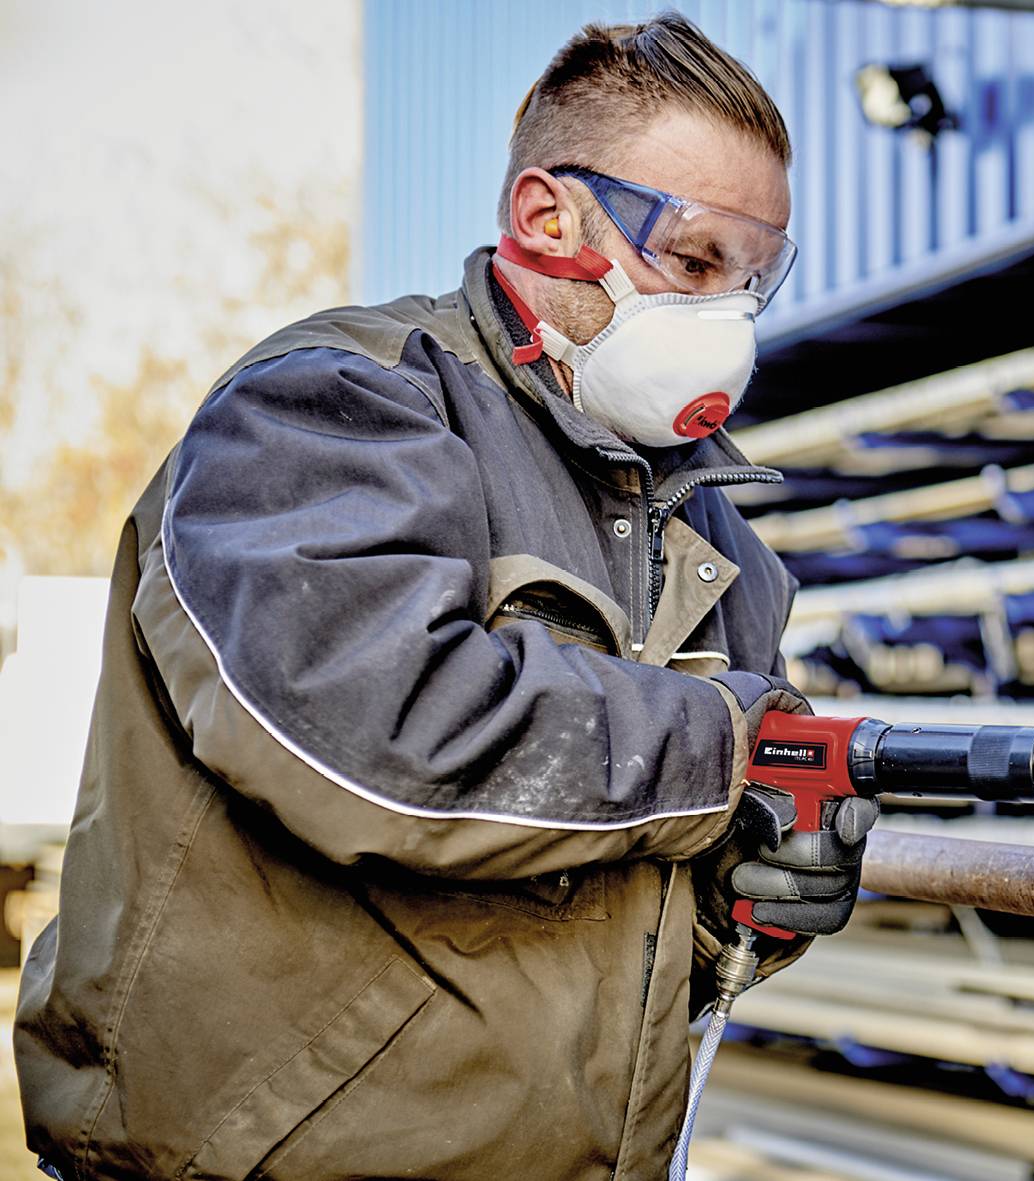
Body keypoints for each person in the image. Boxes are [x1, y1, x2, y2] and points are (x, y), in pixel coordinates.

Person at [15, 15, 874, 1180]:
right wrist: (724, 749)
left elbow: (640, 884)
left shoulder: (718, 542)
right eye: (693, 258)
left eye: (754, 276)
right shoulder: (334, 409)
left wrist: (752, 893)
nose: (728, 315)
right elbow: (362, 731)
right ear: (545, 218)